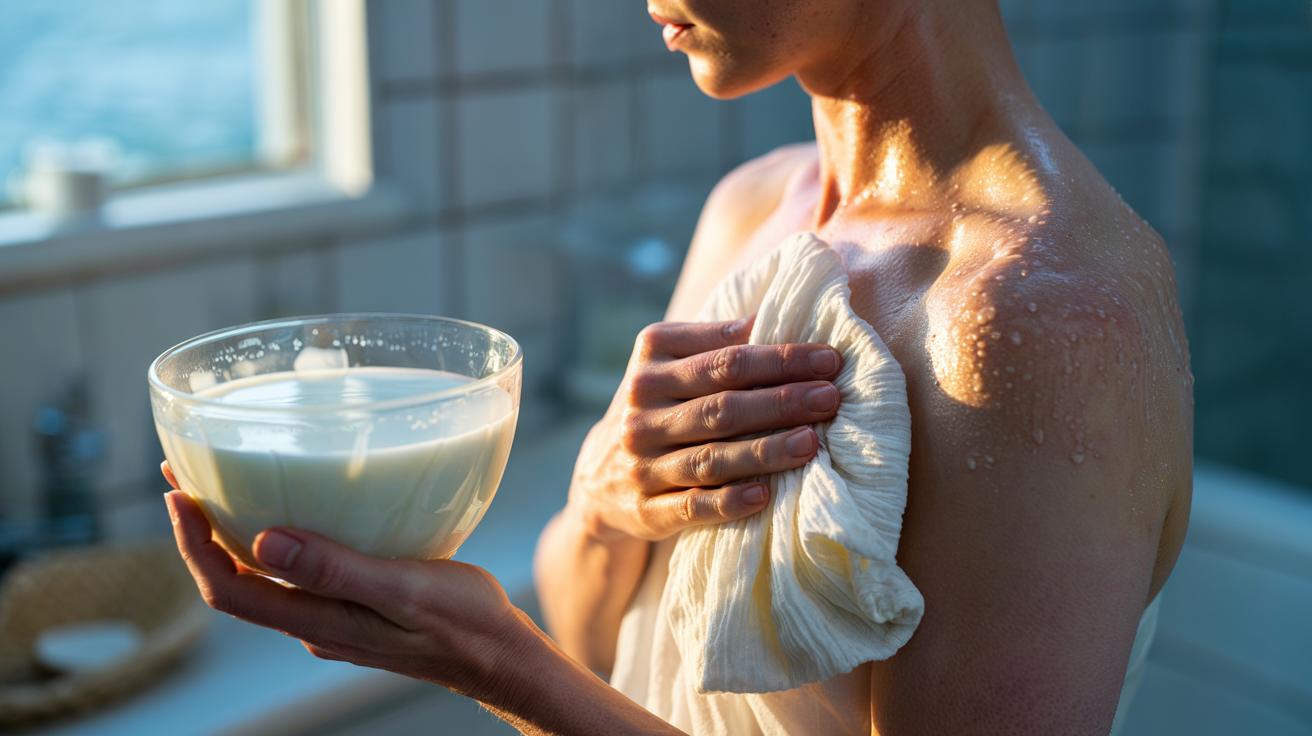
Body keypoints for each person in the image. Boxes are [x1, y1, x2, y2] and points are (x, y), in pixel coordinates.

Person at [164, 0, 1194, 733]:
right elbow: (596, 641)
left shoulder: (1039, 322)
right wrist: (608, 502)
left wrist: (486, 660)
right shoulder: (754, 210)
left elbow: (543, 671)